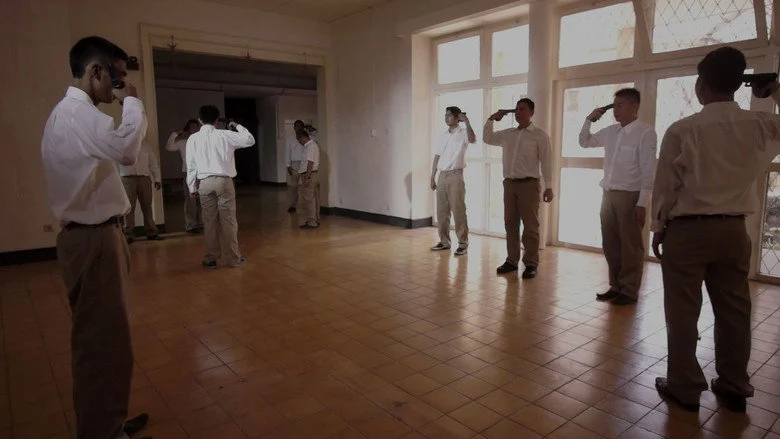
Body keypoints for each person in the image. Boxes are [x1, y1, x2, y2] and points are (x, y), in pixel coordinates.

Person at [651, 46, 780, 413]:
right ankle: (735, 384)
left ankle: (685, 387)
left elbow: (666, 188)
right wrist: (774, 91)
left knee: (683, 310)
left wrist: (658, 227)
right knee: (735, 310)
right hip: (733, 231)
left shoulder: (683, 129)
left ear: (701, 84)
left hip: (687, 231)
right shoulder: (760, 125)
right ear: (738, 84)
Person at [41, 36, 150, 439]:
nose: (118, 87)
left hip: (92, 238)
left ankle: (107, 422)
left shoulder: (69, 115)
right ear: (96, 71)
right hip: (93, 241)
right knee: (103, 345)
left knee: (104, 341)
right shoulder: (78, 114)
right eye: (116, 78)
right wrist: (133, 102)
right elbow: (126, 150)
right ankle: (103, 431)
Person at [579, 88, 658, 305]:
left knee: (631, 245)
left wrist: (642, 203)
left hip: (630, 196)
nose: (616, 109)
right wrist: (589, 119)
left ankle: (629, 290)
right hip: (608, 195)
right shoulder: (611, 131)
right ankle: (616, 285)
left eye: (621, 105)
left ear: (635, 106)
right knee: (611, 243)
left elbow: (648, 170)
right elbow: (584, 141)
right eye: (614, 105)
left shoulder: (645, 133)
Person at [484, 98, 554, 279]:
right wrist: (491, 119)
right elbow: (487, 138)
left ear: (532, 112)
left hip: (529, 185)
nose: (518, 112)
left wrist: (549, 186)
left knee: (530, 226)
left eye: (522, 109)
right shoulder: (508, 134)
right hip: (509, 184)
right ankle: (512, 260)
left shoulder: (540, 135)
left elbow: (547, 162)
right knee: (510, 223)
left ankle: (530, 263)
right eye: (516, 109)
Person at [186, 106, 255, 269]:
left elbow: (191, 165)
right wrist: (235, 125)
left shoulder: (193, 139)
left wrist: (192, 188)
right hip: (224, 182)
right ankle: (233, 259)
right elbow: (249, 139)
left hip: (204, 183)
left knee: (209, 222)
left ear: (199, 120)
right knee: (228, 221)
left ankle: (211, 258)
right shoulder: (225, 135)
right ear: (217, 120)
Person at [429, 106, 476, 256]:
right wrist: (432, 176)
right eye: (445, 115)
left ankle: (463, 243)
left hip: (456, 175)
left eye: (449, 115)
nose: (446, 117)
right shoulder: (443, 135)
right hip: (442, 176)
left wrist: (467, 121)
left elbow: (473, 139)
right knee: (442, 212)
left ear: (457, 117)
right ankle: (444, 242)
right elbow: (437, 156)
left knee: (458, 210)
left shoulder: (463, 133)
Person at [119, 141, 163, 243]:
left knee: (147, 205)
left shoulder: (146, 147)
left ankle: (151, 232)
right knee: (128, 207)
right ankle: (128, 234)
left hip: (144, 178)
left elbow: (153, 163)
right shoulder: (122, 146)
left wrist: (157, 179)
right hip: (127, 178)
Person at [165, 119, 203, 233]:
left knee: (203, 199)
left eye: (196, 127)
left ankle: (203, 222)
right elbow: (169, 147)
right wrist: (175, 134)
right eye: (191, 127)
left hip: (203, 173)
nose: (194, 130)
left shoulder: (203, 141)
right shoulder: (182, 142)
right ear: (187, 129)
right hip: (189, 173)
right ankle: (192, 224)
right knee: (191, 200)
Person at [295, 129, 321, 229]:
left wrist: (307, 178)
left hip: (309, 174)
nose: (299, 142)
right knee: (313, 198)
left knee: (309, 199)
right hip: (312, 174)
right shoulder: (312, 146)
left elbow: (310, 163)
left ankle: (312, 221)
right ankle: (315, 219)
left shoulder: (310, 146)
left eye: (299, 139)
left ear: (302, 137)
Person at [285, 121, 306, 213]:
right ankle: (293, 205)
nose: (298, 128)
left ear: (303, 127)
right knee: (293, 186)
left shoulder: (308, 137)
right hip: (295, 164)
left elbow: (317, 137)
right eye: (296, 126)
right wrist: (288, 165)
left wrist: (312, 131)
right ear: (294, 128)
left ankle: (308, 204)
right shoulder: (290, 138)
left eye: (300, 126)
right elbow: (287, 152)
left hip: (305, 163)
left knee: (306, 185)